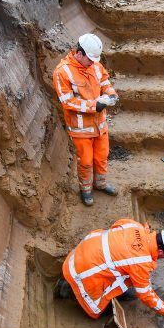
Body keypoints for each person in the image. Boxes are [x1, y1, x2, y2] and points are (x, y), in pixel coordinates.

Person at [56, 219, 164, 319]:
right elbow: (145, 293)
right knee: (98, 309)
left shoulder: (135, 226)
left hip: (79, 254)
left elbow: (115, 226)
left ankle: (70, 283)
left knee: (124, 272)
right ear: (161, 251)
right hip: (81, 273)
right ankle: (66, 289)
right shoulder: (141, 262)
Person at [52, 34, 119, 206]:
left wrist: (111, 94)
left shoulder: (95, 65)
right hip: (81, 129)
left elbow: (104, 82)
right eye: (89, 59)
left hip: (99, 125)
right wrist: (93, 106)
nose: (92, 63)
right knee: (86, 161)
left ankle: (101, 183)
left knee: (102, 156)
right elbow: (67, 101)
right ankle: (86, 190)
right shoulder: (63, 72)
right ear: (79, 53)